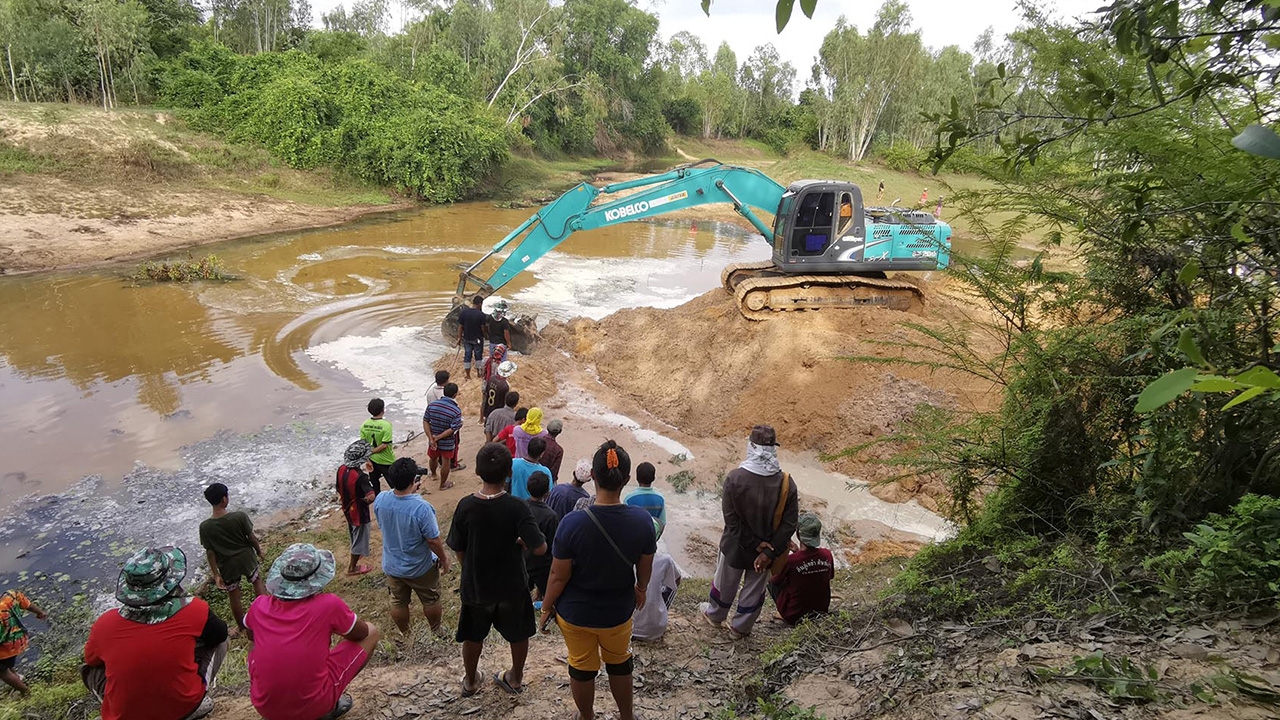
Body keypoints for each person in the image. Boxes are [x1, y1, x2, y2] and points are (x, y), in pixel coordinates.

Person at [540, 440, 655, 720]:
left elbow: (557, 576)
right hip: (617, 613)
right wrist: (640, 589)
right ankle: (626, 715)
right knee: (619, 663)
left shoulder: (572, 523)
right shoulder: (642, 522)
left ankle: (587, 716)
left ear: (593, 476)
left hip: (576, 613)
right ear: (626, 479)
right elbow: (645, 565)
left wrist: (545, 608)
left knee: (581, 666)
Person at [446, 442, 547, 697]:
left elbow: (457, 546)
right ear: (509, 474)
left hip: (477, 585)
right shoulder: (517, 507)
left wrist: (468, 567)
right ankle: (515, 677)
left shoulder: (466, 506)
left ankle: (470, 680)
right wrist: (523, 542)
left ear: (478, 472)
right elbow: (541, 548)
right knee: (518, 633)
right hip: (512, 585)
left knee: (473, 635)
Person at [83, 546, 229, 720]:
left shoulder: (105, 624)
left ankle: (118, 703)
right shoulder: (194, 610)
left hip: (125, 716)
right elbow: (220, 634)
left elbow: (91, 659)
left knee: (88, 669)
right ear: (170, 580)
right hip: (183, 709)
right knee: (222, 640)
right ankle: (196, 694)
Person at [246, 544, 382, 720]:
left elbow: (251, 636)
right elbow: (361, 633)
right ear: (317, 579)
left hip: (264, 706)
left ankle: (275, 695)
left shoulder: (259, 605)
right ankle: (328, 705)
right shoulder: (328, 604)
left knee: (254, 639)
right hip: (313, 706)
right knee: (372, 631)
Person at [699, 425, 798, 640]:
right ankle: (740, 628)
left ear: (751, 448)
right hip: (769, 548)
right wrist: (768, 553)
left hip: (736, 546)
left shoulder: (734, 478)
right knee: (755, 587)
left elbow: (731, 520)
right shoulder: (787, 483)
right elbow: (789, 525)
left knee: (725, 581)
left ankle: (716, 616)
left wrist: (753, 543)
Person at [374, 458, 450, 639]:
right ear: (413, 480)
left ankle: (405, 634)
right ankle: (436, 630)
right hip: (419, 566)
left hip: (392, 564)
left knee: (398, 601)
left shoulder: (381, 499)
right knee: (431, 599)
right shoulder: (421, 508)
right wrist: (445, 559)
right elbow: (433, 540)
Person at [198, 482, 266, 636]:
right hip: (246, 558)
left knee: (234, 595)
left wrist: (216, 574)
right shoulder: (239, 516)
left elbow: (210, 552)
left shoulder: (205, 527)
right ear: (224, 499)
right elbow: (251, 537)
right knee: (257, 582)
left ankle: (242, 627)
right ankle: (266, 614)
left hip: (227, 564)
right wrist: (259, 551)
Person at [768, 513, 835, 626]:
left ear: (798, 535)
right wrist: (797, 552)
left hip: (794, 615)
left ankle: (783, 612)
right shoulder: (827, 555)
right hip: (821, 611)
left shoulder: (791, 561)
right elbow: (829, 576)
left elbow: (774, 580)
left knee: (771, 580)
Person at [632, 519, 685, 642]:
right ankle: (658, 612)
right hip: (655, 630)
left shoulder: (624, 558)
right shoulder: (664, 560)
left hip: (625, 628)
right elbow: (676, 581)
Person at [336, 440, 377, 576]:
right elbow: (371, 496)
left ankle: (356, 553)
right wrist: (365, 501)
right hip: (359, 511)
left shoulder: (341, 469)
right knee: (360, 536)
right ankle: (352, 568)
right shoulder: (361, 477)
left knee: (352, 531)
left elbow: (338, 487)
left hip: (346, 507)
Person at [0, 590, 47, 694]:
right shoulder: (11, 596)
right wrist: (40, 612)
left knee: (3, 672)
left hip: (5, 647)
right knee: (7, 664)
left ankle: (25, 691)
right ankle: (17, 677)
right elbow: (28, 604)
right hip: (19, 639)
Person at [424, 382, 464, 491]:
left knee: (433, 457)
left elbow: (426, 420)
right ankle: (442, 484)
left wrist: (431, 438)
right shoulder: (456, 410)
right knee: (446, 461)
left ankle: (433, 475)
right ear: (455, 394)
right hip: (446, 441)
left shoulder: (432, 405)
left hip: (433, 439)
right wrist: (438, 437)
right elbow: (453, 429)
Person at [525, 472, 559, 600]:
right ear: (547, 493)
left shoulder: (522, 506)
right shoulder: (550, 516)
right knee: (548, 595)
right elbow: (553, 544)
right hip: (542, 565)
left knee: (522, 591)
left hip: (524, 560)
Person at [360, 398, 395, 492]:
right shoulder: (386, 425)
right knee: (394, 485)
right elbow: (384, 445)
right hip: (386, 460)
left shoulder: (364, 424)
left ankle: (378, 503)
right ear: (383, 410)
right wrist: (372, 451)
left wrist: (367, 458)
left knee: (375, 484)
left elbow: (363, 445)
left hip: (372, 460)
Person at [624, 462, 667, 533]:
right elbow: (662, 523)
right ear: (653, 478)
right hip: (652, 537)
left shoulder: (629, 499)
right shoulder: (660, 498)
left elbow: (625, 523)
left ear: (637, 478)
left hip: (634, 538)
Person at [510, 436, 553, 500]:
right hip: (533, 507)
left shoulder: (513, 463)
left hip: (514, 503)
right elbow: (549, 493)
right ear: (542, 454)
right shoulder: (545, 471)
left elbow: (505, 483)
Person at [457, 295, 488, 380]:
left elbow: (460, 326)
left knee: (467, 356)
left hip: (467, 339)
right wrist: (485, 334)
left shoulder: (464, 312)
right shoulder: (481, 315)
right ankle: (479, 374)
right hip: (477, 339)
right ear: (480, 304)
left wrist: (459, 338)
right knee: (478, 356)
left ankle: (468, 375)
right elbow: (482, 328)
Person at [482, 360, 516, 425]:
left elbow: (486, 393)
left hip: (488, 410)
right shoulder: (505, 385)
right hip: (498, 413)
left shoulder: (491, 378)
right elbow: (506, 402)